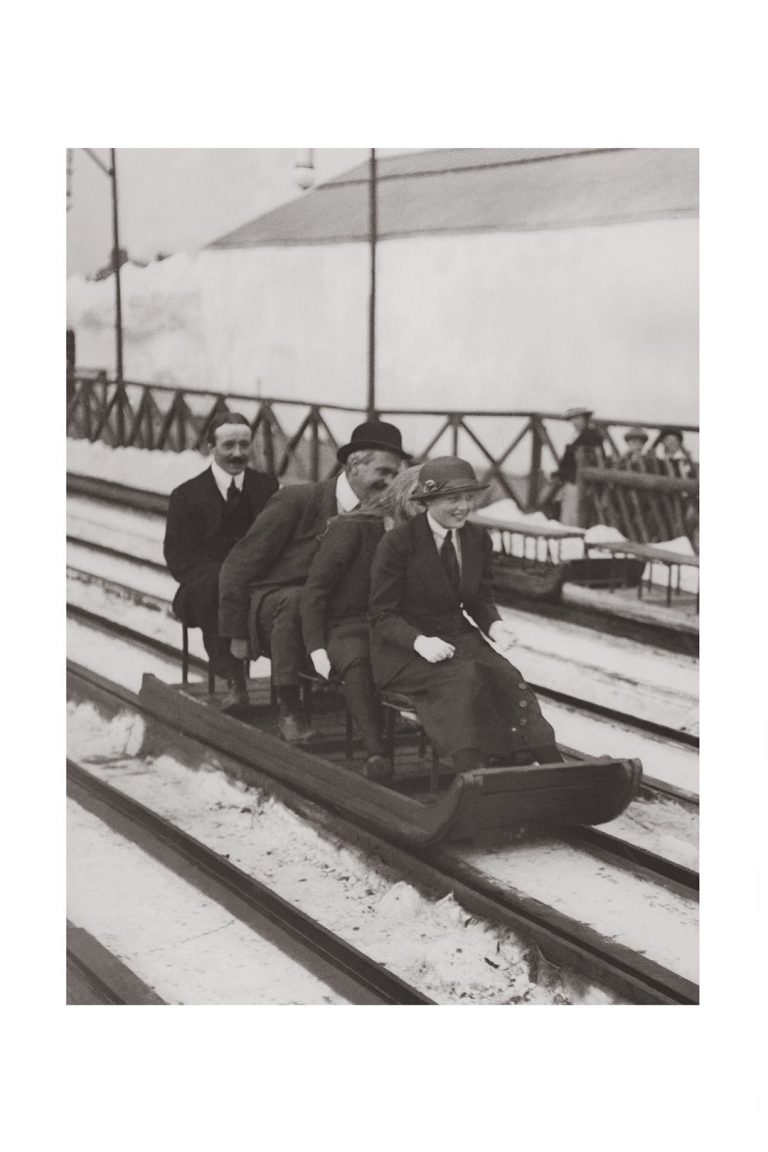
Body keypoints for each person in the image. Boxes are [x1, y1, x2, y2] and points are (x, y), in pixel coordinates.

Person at [219, 421, 408, 743]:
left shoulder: (382, 515)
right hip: (277, 604)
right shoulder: (296, 501)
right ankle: (290, 707)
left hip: (334, 607)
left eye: (395, 476)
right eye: (383, 472)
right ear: (354, 465)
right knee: (297, 599)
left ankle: (386, 707)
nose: (390, 483)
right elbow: (238, 567)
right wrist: (236, 634)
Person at [368, 456, 561, 772]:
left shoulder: (475, 539)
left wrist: (494, 624)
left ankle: (549, 759)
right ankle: (471, 767)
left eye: (468, 497)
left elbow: (479, 597)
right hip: (402, 650)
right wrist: (419, 642)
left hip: (456, 636)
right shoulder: (399, 543)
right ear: (429, 501)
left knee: (507, 676)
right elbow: (381, 615)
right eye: (453, 499)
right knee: (461, 678)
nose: (463, 507)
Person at [300, 465, 421, 782]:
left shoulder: (427, 538)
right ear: (399, 497)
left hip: (396, 625)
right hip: (347, 625)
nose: (425, 508)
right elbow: (316, 591)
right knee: (358, 658)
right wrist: (315, 647)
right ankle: (376, 752)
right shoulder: (354, 529)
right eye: (419, 500)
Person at [164, 411, 278, 712]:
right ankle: (233, 679)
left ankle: (296, 685)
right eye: (229, 445)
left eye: (244, 444)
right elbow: (177, 556)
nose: (238, 453)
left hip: (256, 577)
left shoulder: (266, 487)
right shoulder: (186, 495)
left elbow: (278, 540)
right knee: (216, 591)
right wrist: (224, 577)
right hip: (204, 583)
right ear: (209, 447)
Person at [551, 406, 604, 525]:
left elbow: (594, 460)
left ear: (585, 419)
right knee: (564, 511)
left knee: (572, 516)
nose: (574, 422)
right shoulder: (576, 436)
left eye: (578, 418)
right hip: (570, 481)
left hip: (579, 483)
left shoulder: (591, 436)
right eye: (572, 419)